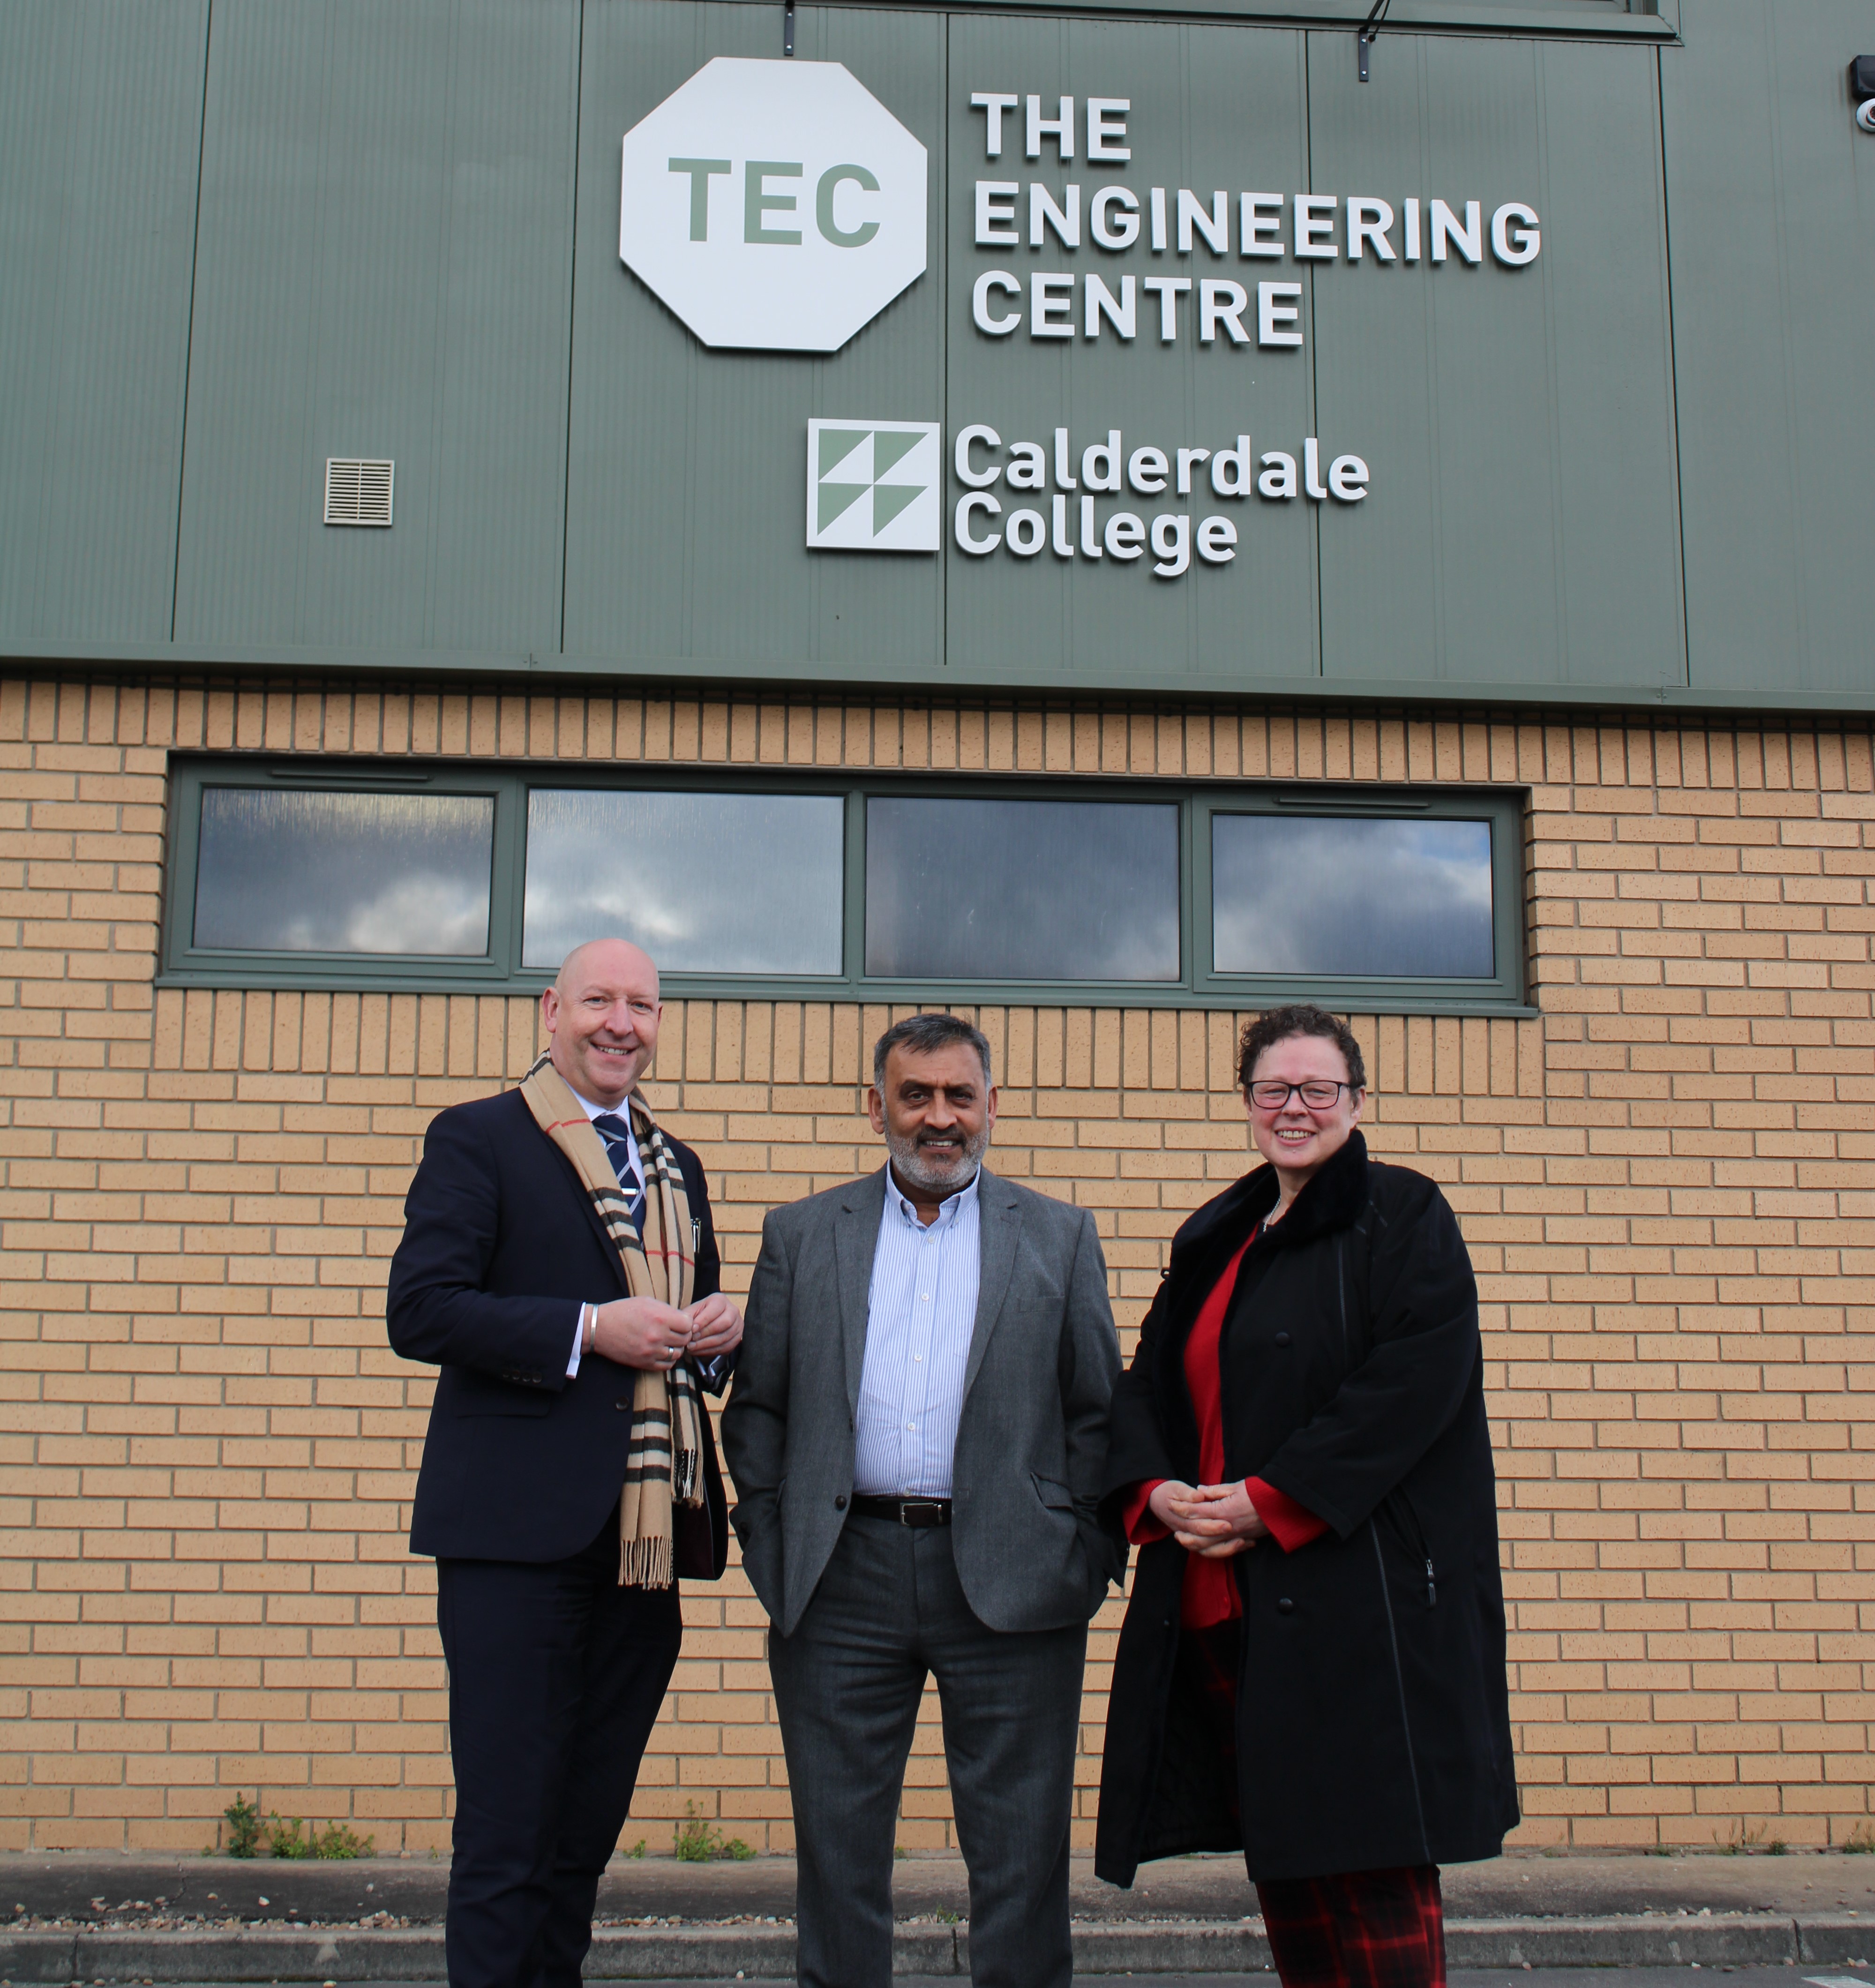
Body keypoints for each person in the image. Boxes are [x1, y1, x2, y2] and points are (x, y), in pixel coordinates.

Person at [1095, 1003, 1517, 1988]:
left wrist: (1269, 1498)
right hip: (1228, 1615)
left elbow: (1411, 1386)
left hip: (1359, 1618)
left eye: (1316, 1089)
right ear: (1246, 1103)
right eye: (1272, 1089)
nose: (1294, 1107)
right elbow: (1144, 1385)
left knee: (1371, 1895)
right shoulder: (1217, 1240)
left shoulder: (1404, 1217)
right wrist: (1154, 1491)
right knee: (1293, 1893)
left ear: (1356, 1101)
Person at [721, 1012, 1122, 1988]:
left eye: (957, 1096)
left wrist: (1079, 1550)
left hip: (1014, 1578)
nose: (937, 1118)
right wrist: (772, 1543)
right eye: (915, 1095)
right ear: (876, 1108)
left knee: (1022, 1855)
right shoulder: (802, 1234)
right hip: (839, 1576)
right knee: (837, 1851)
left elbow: (1098, 1413)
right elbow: (759, 1408)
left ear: (991, 1107)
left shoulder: (1061, 1238)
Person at [386, 938, 743, 1988]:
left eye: (642, 1004)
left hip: (644, 1546)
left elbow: (681, 1338)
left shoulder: (676, 1165)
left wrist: (722, 1337)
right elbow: (422, 1309)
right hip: (514, 1542)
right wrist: (590, 1329)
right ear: (552, 1010)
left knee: (581, 1840)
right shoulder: (479, 1138)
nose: (620, 1023)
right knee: (506, 1841)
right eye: (599, 1001)